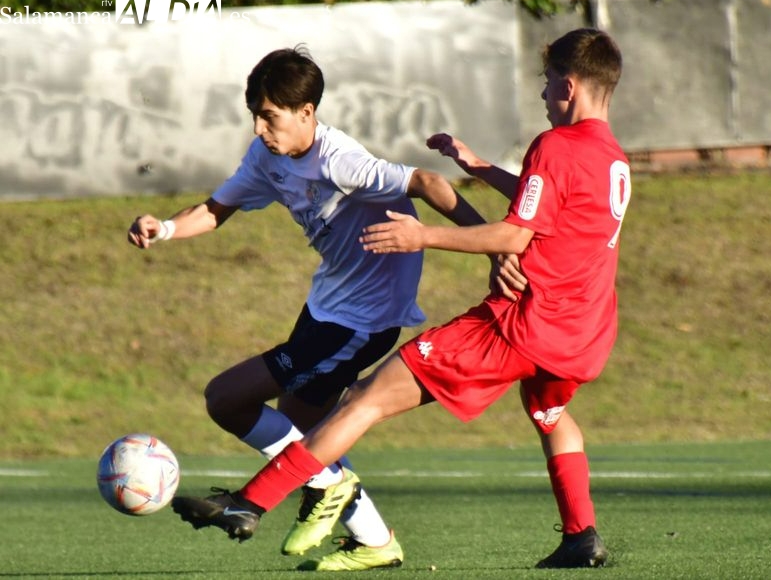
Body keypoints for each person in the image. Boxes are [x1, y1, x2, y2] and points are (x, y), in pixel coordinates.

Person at [170, 28, 631, 569]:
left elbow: (514, 235)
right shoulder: (611, 157)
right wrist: (479, 166)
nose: (543, 92)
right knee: (549, 409)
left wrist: (424, 236)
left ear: (569, 86)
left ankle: (251, 502)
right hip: (586, 330)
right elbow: (554, 200)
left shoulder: (554, 145)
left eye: (547, 81)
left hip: (522, 324)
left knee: (364, 399)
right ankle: (581, 534)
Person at [128, 45, 492, 572]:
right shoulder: (266, 156)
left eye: (270, 117)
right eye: (255, 115)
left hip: (361, 323)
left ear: (307, 113)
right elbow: (215, 209)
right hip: (323, 308)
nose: (259, 129)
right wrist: (163, 228)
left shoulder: (340, 159)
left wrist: (493, 246)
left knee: (226, 399)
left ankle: (326, 487)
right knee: (303, 438)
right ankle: (374, 540)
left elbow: (430, 183)